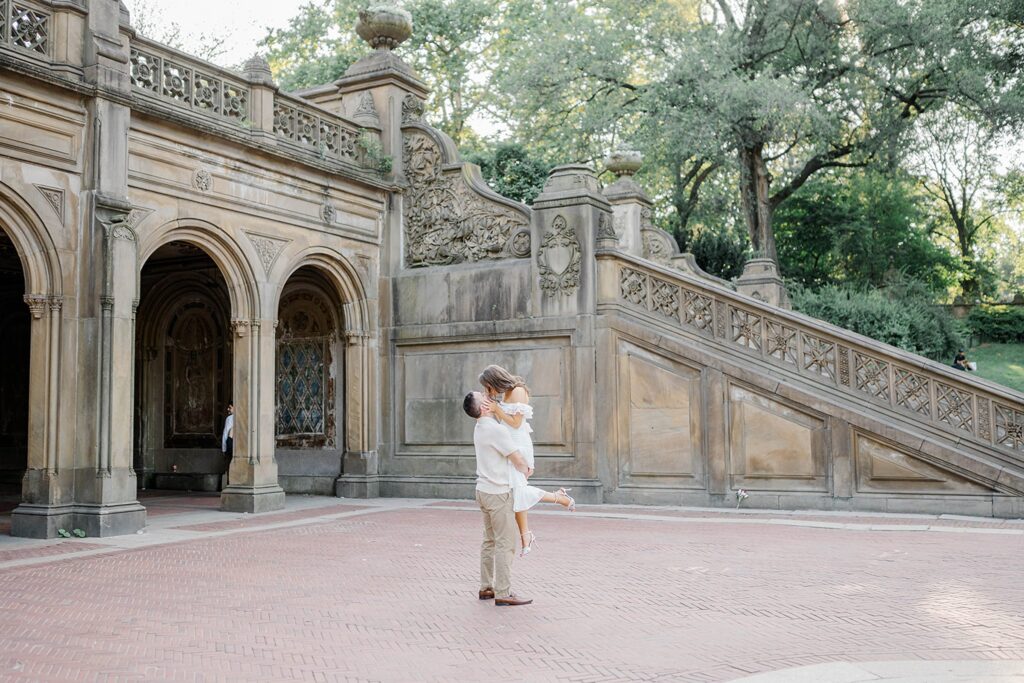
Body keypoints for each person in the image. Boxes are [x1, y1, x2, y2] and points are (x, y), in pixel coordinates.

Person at [479, 365, 575, 558]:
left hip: (519, 446)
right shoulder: (504, 394)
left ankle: (561, 499)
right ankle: (526, 534)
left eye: (489, 387)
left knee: (518, 491)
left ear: (496, 381)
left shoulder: (518, 391)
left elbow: (516, 423)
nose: (489, 391)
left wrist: (497, 409)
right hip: (508, 445)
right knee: (516, 492)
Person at [463, 391, 533, 606]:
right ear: (483, 407)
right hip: (498, 493)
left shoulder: (480, 427)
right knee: (506, 543)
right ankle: (503, 592)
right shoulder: (495, 429)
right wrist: (527, 470)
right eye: (483, 396)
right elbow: (518, 459)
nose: (488, 395)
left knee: (489, 541)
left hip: (482, 491)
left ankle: (486, 587)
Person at [221, 402, 234, 489]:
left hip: (231, 442)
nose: (228, 409)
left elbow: (225, 434)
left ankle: (230, 485)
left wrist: (223, 449)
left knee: (230, 465)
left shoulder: (229, 418)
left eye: (230, 407)